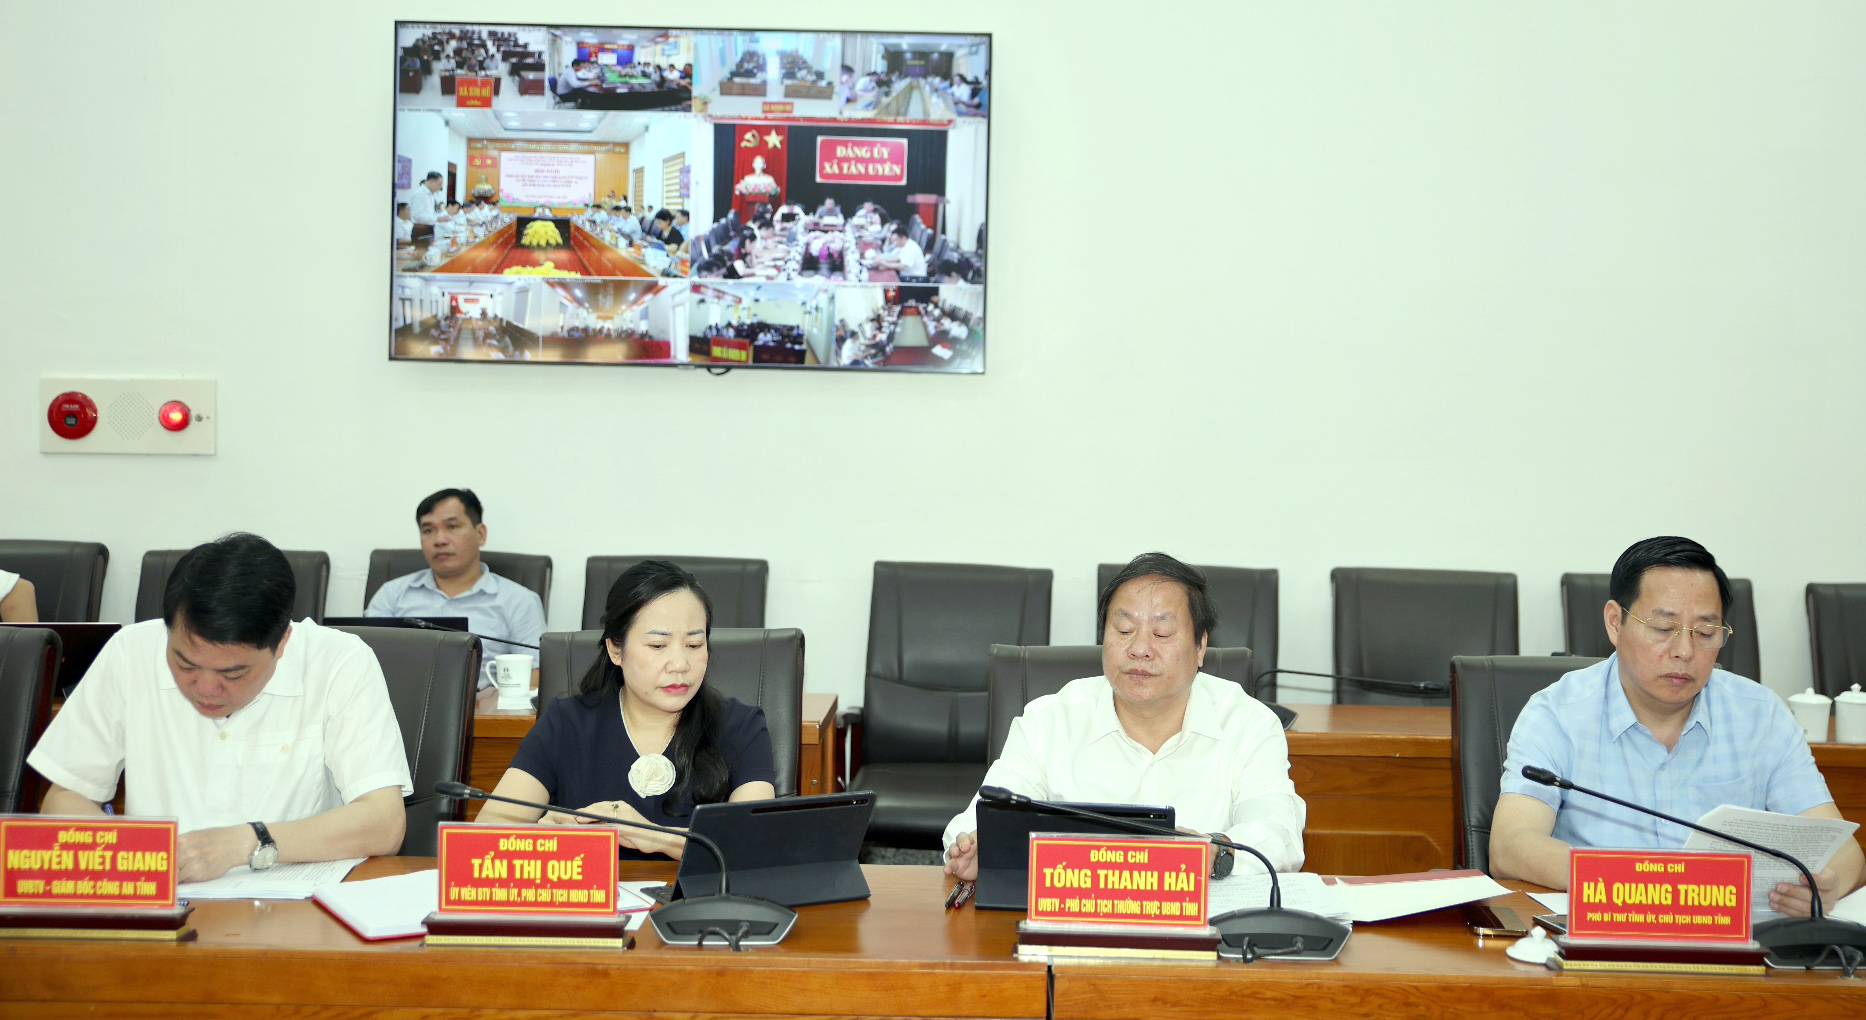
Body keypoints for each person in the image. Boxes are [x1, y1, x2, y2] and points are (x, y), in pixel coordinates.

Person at [1491, 536, 1866, 918]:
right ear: (1615, 622)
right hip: (1606, 933)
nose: (1685, 651)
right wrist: (1644, 883)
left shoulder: (1761, 715)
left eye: (1705, 633)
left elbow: (1844, 849)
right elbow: (1510, 845)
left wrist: (1829, 883)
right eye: (1663, 627)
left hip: (1741, 943)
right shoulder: (1557, 713)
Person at [26, 534, 410, 882]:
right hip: (161, 906)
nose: (206, 688)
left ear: (281, 643)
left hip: (295, 911)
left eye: (233, 673)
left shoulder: (339, 662)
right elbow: (65, 797)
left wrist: (246, 841)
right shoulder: (130, 652)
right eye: (185, 664)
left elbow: (384, 822)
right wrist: (134, 856)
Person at [943, 553, 1305, 882]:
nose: (1140, 649)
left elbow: (1279, 834)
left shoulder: (1249, 725)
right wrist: (979, 848)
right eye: (1124, 630)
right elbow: (978, 821)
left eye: (1162, 633)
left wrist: (1217, 852)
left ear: (1201, 646)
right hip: (1076, 920)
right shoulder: (1048, 722)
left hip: (1204, 924)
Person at [474, 560, 776, 858]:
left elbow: (754, 847)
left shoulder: (741, 726)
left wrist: (652, 836)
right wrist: (541, 836)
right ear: (615, 650)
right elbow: (484, 837)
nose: (680, 664)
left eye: (694, 645)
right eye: (657, 645)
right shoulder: (566, 723)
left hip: (697, 893)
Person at [364, 488, 546, 682]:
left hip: (485, 700)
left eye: (452, 527)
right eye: (428, 530)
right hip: (401, 698)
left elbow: (536, 674)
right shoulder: (392, 595)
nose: (439, 540)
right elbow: (363, 662)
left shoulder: (519, 600)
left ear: (480, 534)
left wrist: (492, 697)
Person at [409, 171, 444, 243]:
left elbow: (429, 213)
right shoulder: (419, 194)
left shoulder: (431, 194)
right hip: (421, 229)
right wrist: (437, 218)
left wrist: (439, 217)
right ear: (431, 181)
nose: (439, 188)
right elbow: (417, 216)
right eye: (439, 185)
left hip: (429, 228)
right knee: (422, 249)